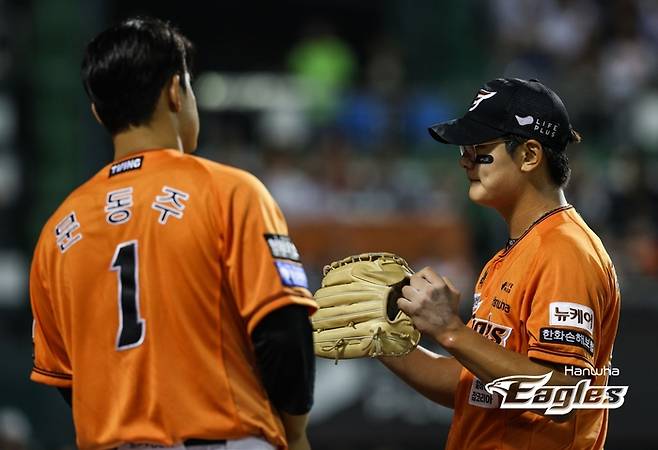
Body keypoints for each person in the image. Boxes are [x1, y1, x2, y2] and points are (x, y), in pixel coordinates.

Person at [29, 17, 317, 450]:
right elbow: (283, 330)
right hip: (222, 437)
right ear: (175, 91)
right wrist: (294, 434)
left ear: (97, 112)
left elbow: (68, 381)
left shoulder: (57, 231)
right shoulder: (229, 191)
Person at [381, 78, 621, 449]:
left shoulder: (564, 251)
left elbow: (565, 395)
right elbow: (478, 389)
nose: (465, 160)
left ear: (529, 155)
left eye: (479, 148)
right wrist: (380, 339)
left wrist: (451, 331)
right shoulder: (515, 252)